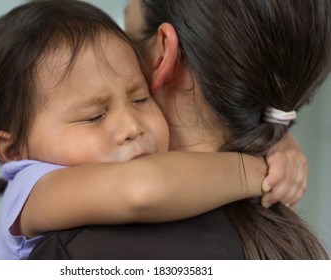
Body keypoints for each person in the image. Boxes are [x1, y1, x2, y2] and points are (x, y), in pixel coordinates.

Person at [28, 0, 330, 260]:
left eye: (127, 37)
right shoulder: (293, 244)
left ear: (163, 55)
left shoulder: (75, 253)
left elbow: (144, 188)